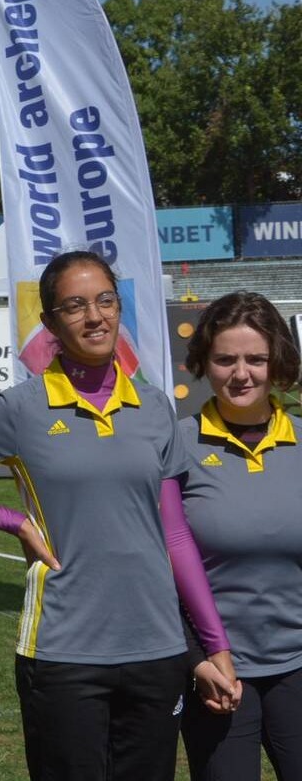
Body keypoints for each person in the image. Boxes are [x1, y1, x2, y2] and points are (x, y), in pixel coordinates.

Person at [0, 250, 236, 781]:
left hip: (158, 651)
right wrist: (14, 522)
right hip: (61, 651)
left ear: (119, 308)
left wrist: (216, 646)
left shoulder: (155, 407)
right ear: (50, 321)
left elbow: (175, 534)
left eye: (104, 301)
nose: (94, 317)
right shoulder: (20, 409)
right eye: (74, 306)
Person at [176, 291, 302, 780]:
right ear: (204, 363)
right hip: (216, 673)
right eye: (225, 359)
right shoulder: (176, 446)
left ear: (278, 364)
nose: (241, 373)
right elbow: (155, 567)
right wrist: (196, 660)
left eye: (256, 359)